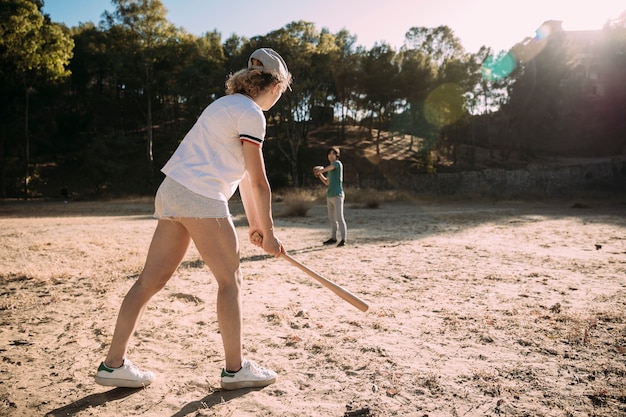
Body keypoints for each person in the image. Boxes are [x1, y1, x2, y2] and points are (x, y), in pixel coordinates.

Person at [94, 48, 292, 391]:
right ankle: (235, 370)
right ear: (275, 86)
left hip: (173, 191)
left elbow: (244, 179)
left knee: (149, 281)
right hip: (200, 196)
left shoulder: (223, 105)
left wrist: (257, 225)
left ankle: (113, 365)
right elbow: (260, 181)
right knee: (231, 281)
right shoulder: (253, 114)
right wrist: (270, 234)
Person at [313, 147, 347, 247]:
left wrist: (319, 171)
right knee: (332, 218)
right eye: (329, 154)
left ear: (337, 156)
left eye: (333, 154)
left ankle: (344, 239)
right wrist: (319, 175)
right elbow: (327, 182)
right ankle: (333, 238)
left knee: (340, 218)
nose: (331, 156)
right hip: (330, 195)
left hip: (338, 195)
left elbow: (328, 168)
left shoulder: (337, 164)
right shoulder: (329, 169)